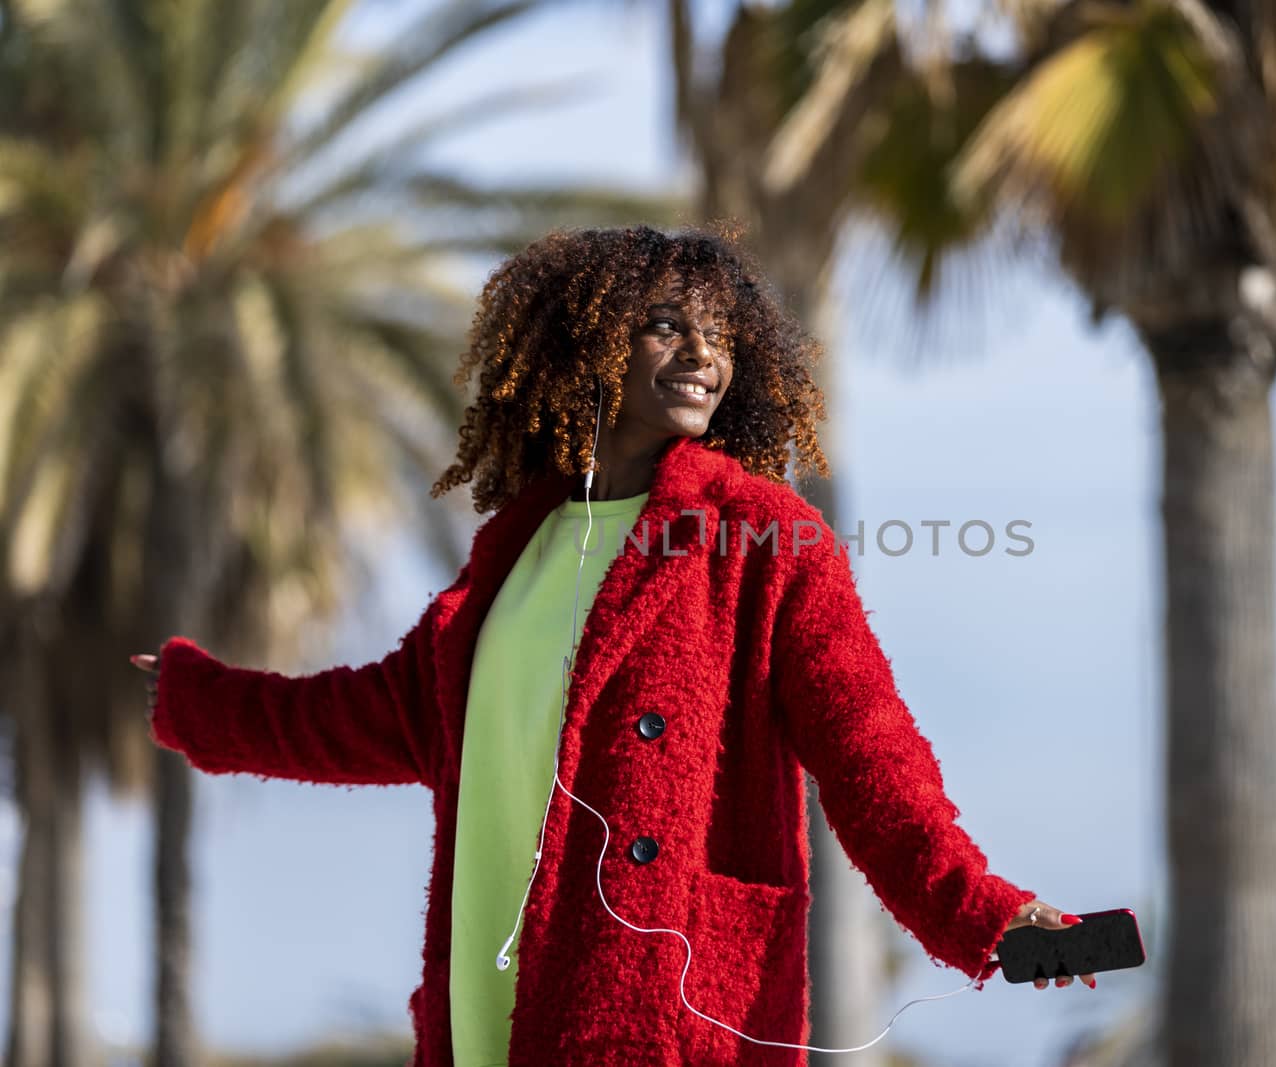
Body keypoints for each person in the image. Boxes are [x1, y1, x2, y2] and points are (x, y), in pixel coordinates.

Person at [131, 224, 1091, 1067]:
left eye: (721, 336)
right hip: (488, 1017)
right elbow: (365, 715)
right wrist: (196, 700)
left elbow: (873, 757)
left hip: (662, 1010)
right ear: (587, 342)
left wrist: (989, 915)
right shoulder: (515, 552)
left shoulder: (764, 535)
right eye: (668, 325)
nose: (703, 355)